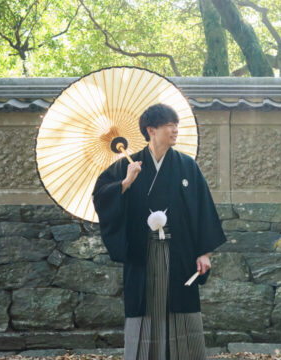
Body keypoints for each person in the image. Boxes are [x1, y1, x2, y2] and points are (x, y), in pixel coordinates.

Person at [93, 103, 226, 360]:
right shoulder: (124, 167)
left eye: (176, 124)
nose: (175, 129)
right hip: (143, 254)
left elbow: (203, 210)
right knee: (145, 309)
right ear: (151, 130)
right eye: (168, 125)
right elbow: (101, 197)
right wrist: (125, 183)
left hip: (180, 253)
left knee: (181, 310)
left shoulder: (187, 166)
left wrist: (204, 252)